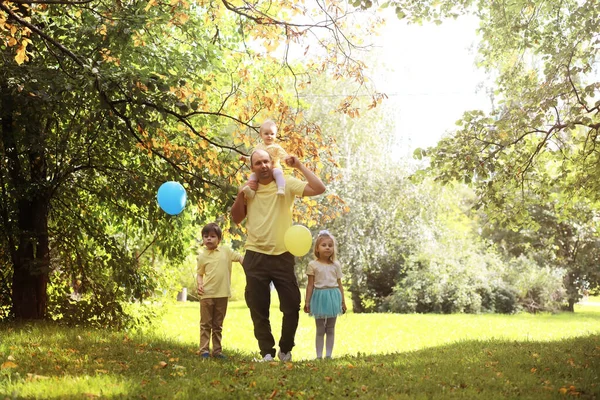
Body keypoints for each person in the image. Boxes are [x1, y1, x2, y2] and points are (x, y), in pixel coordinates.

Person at [231, 145, 326, 362]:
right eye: (258, 163)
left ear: (272, 164)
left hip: (283, 255)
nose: (263, 166)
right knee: (257, 307)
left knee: (292, 304)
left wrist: (299, 165)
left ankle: (285, 349)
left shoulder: (288, 184)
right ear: (252, 167)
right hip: (255, 255)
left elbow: (319, 188)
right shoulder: (249, 189)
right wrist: (240, 195)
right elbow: (236, 218)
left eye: (267, 161)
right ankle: (266, 352)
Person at [196, 222, 244, 359]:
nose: (209, 239)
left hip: (222, 294)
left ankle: (217, 351)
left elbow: (240, 258)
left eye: (212, 236)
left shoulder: (226, 251)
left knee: (218, 325)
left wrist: (248, 263)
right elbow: (200, 273)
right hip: (207, 295)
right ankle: (204, 350)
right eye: (206, 236)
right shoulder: (202, 256)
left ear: (219, 239)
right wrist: (199, 284)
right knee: (205, 324)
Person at [304, 230, 346, 359]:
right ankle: (318, 356)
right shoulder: (313, 265)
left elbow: (339, 284)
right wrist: (307, 301)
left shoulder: (336, 265)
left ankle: (328, 355)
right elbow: (310, 285)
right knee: (320, 329)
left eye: (330, 245)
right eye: (324, 245)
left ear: (333, 248)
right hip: (319, 297)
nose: (327, 247)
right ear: (317, 248)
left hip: (333, 297)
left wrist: (343, 301)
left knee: (331, 328)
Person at [240, 120, 289, 198]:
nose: (269, 136)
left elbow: (283, 155)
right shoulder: (258, 147)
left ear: (275, 135)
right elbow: (253, 159)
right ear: (261, 135)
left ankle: (281, 188)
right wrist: (245, 159)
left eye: (272, 134)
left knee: (278, 173)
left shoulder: (276, 147)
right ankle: (251, 191)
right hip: (262, 170)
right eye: (266, 134)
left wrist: (288, 159)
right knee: (253, 175)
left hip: (274, 168)